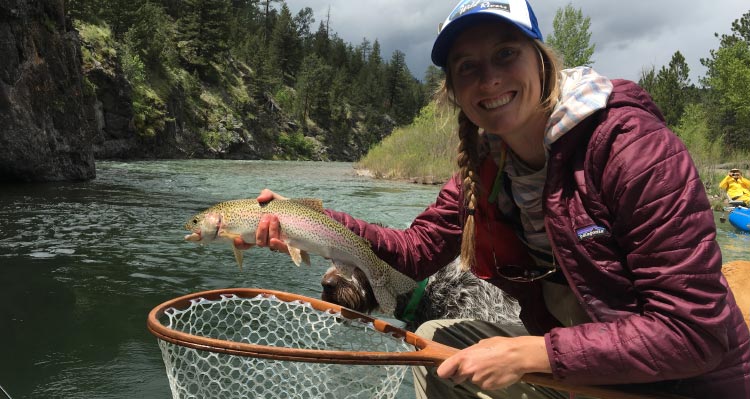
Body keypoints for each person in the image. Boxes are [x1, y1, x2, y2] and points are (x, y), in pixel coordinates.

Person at [249, 0, 750, 397]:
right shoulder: (484, 164)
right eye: (467, 67)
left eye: (505, 54)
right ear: (453, 91)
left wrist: (531, 355)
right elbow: (416, 251)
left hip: (686, 384)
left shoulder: (631, 149)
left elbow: (694, 335)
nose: (489, 78)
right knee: (441, 342)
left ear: (541, 58)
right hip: (584, 370)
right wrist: (309, 223)